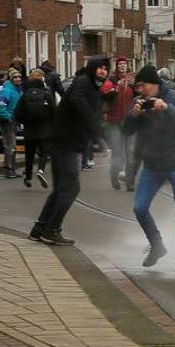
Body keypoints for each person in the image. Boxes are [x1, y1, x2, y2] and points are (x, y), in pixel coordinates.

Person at [30, 55, 109, 246]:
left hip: (65, 141)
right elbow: (78, 102)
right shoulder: (84, 83)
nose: (103, 71)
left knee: (60, 190)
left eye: (106, 68)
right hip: (64, 142)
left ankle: (40, 228)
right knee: (71, 188)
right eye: (99, 68)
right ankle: (52, 229)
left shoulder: (92, 87)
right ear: (92, 68)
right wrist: (97, 134)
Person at [124, 65, 175, 273]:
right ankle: (157, 245)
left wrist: (166, 108)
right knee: (139, 207)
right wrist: (134, 116)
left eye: (143, 85)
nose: (140, 90)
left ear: (154, 84)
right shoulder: (138, 102)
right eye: (137, 86)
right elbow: (126, 130)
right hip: (152, 164)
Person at [15, 69, 55, 189]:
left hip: (29, 130)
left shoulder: (25, 96)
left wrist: (24, 121)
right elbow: (54, 111)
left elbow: (18, 113)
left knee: (29, 155)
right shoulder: (47, 94)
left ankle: (28, 177)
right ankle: (41, 170)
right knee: (44, 152)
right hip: (45, 129)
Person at [101, 57, 136, 191]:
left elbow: (139, 93)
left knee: (131, 152)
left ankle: (130, 181)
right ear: (116, 66)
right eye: (120, 64)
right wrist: (116, 87)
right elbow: (105, 93)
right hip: (115, 120)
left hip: (130, 120)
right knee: (117, 152)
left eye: (124, 64)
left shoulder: (132, 80)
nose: (122, 66)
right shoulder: (112, 80)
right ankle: (114, 174)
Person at [0, 69, 23, 179]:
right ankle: (8, 169)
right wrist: (8, 117)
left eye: (19, 77)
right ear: (11, 79)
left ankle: (12, 168)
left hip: (14, 120)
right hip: (8, 121)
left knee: (12, 146)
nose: (18, 79)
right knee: (10, 146)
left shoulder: (18, 90)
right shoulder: (7, 90)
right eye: (15, 77)